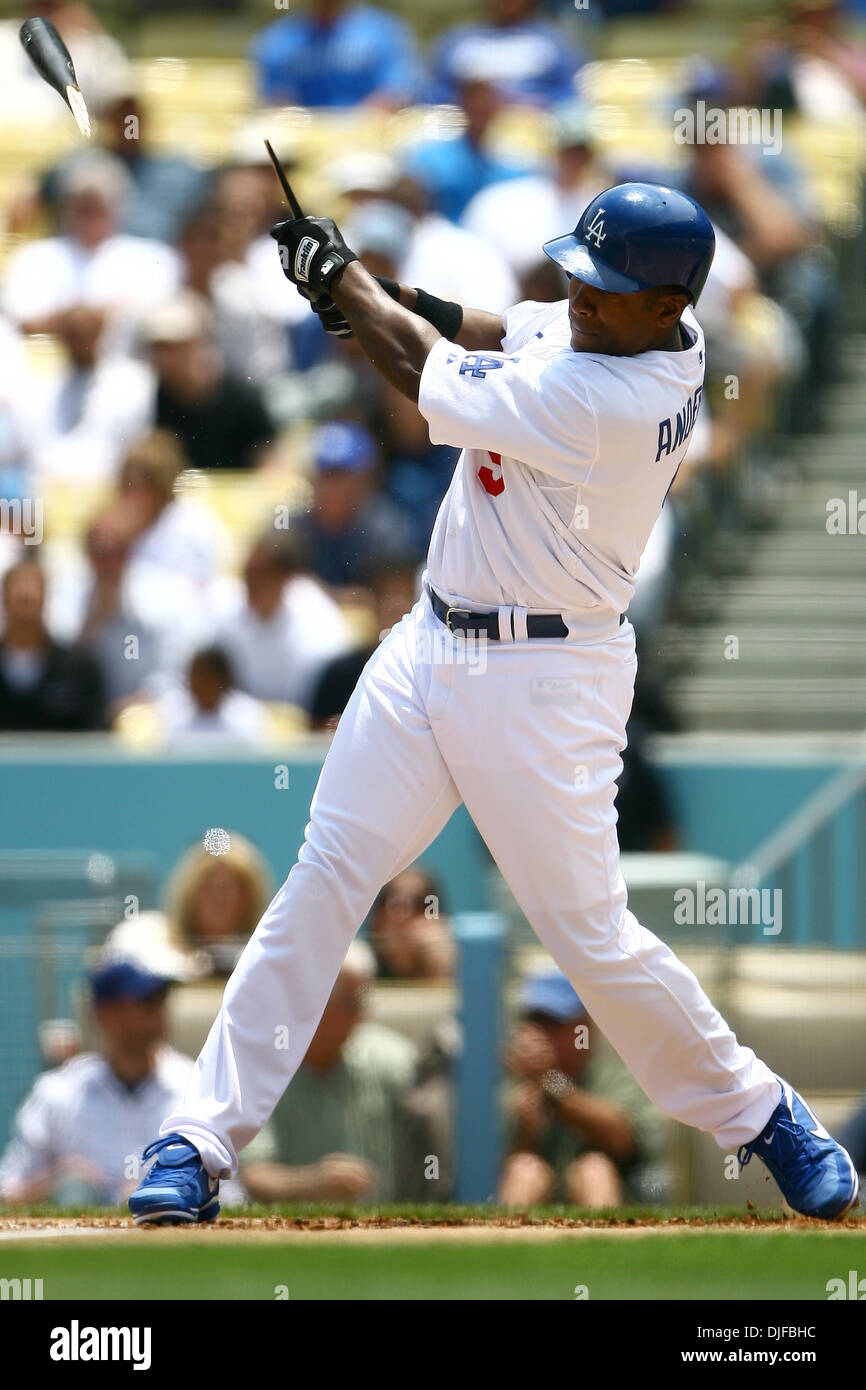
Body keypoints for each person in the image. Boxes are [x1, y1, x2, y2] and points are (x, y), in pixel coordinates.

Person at [130, 182, 858, 1224]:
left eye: (604, 292)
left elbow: (421, 372)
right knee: (323, 877)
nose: (578, 299)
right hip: (429, 644)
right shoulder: (610, 328)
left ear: (667, 307)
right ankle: (195, 1142)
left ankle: (762, 1114)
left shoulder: (620, 403)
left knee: (588, 936)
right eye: (578, 277)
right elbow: (486, 327)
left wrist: (341, 287)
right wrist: (370, 288)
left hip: (546, 683)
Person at [0, 955, 192, 1207]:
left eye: (160, 1000)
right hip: (75, 1243)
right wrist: (57, 1181)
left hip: (172, 1238)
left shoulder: (193, 1085)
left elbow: (232, 1192)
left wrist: (162, 1187)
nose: (157, 1010)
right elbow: (8, 1191)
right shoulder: (57, 1092)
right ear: (106, 1015)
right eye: (145, 1001)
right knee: (75, 1191)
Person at [240, 941, 418, 1204]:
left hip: (387, 1238)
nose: (361, 1015)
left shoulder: (394, 1061)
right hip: (294, 1239)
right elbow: (254, 1176)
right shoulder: (262, 1070)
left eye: (362, 1001)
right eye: (351, 1003)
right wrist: (314, 1183)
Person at [500, 970, 666, 1206]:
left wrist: (550, 1083)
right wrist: (527, 1131)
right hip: (534, 1200)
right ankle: (506, 1242)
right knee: (524, 1171)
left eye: (554, 1022)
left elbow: (622, 1140)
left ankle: (605, 1243)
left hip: (610, 1198)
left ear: (585, 1027)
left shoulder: (615, 1076)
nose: (541, 1033)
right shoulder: (508, 1080)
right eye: (535, 1020)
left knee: (593, 1171)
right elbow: (488, 1165)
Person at [250, 0, 422, 110]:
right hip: (302, 141)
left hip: (369, 140)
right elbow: (275, 100)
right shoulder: (278, 40)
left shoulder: (385, 32)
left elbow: (397, 91)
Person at [0, 558, 105, 731]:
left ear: (46, 597)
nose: (26, 596)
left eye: (34, 589)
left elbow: (94, 733)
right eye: (18, 591)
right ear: (4, 599)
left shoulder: (79, 669)